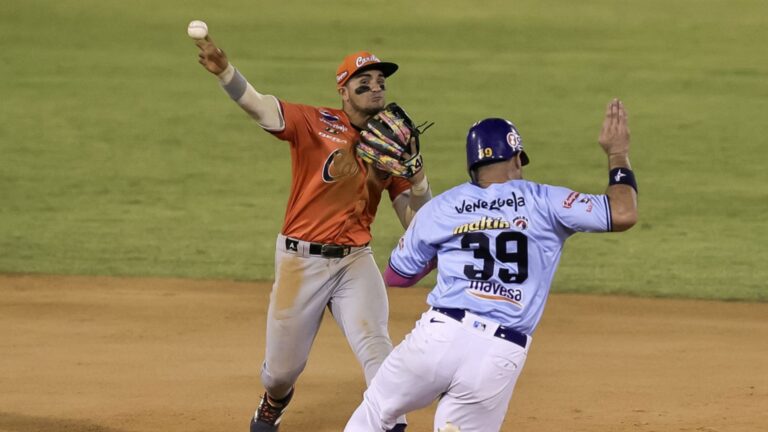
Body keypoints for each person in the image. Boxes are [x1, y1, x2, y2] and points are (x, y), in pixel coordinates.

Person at [344, 99, 638, 432]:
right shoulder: (545, 200)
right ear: (516, 157)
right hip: (498, 351)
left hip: (438, 337)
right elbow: (623, 213)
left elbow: (397, 275)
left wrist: (450, 248)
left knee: (376, 411)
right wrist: (617, 154)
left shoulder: (443, 207)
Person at [194, 36, 432, 432]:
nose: (375, 86)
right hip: (299, 263)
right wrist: (225, 72)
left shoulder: (391, 145)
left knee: (377, 347)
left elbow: (417, 225)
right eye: (364, 79)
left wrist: (418, 176)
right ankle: (274, 402)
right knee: (280, 374)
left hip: (356, 262)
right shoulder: (312, 122)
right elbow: (260, 105)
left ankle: (391, 423)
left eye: (380, 81)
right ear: (343, 90)